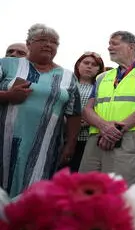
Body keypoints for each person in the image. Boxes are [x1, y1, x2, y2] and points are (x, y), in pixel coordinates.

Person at [0, 24, 81, 197]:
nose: (48, 45)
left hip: (45, 147)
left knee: (34, 195)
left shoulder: (67, 76)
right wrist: (8, 95)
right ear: (28, 44)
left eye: (54, 42)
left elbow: (74, 113)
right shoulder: (7, 64)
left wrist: (70, 144)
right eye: (42, 40)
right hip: (4, 141)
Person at [79, 31, 135, 184]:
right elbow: (87, 110)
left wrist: (115, 130)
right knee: (86, 189)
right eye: (109, 44)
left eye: (114, 43)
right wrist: (105, 127)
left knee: (121, 193)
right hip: (96, 137)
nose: (109, 47)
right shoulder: (102, 77)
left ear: (131, 47)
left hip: (129, 137)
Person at [66, 51, 105, 172]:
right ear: (78, 65)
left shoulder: (101, 88)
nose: (89, 66)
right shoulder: (67, 84)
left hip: (87, 140)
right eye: (86, 62)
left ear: (99, 69)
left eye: (94, 64)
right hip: (64, 137)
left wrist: (89, 120)